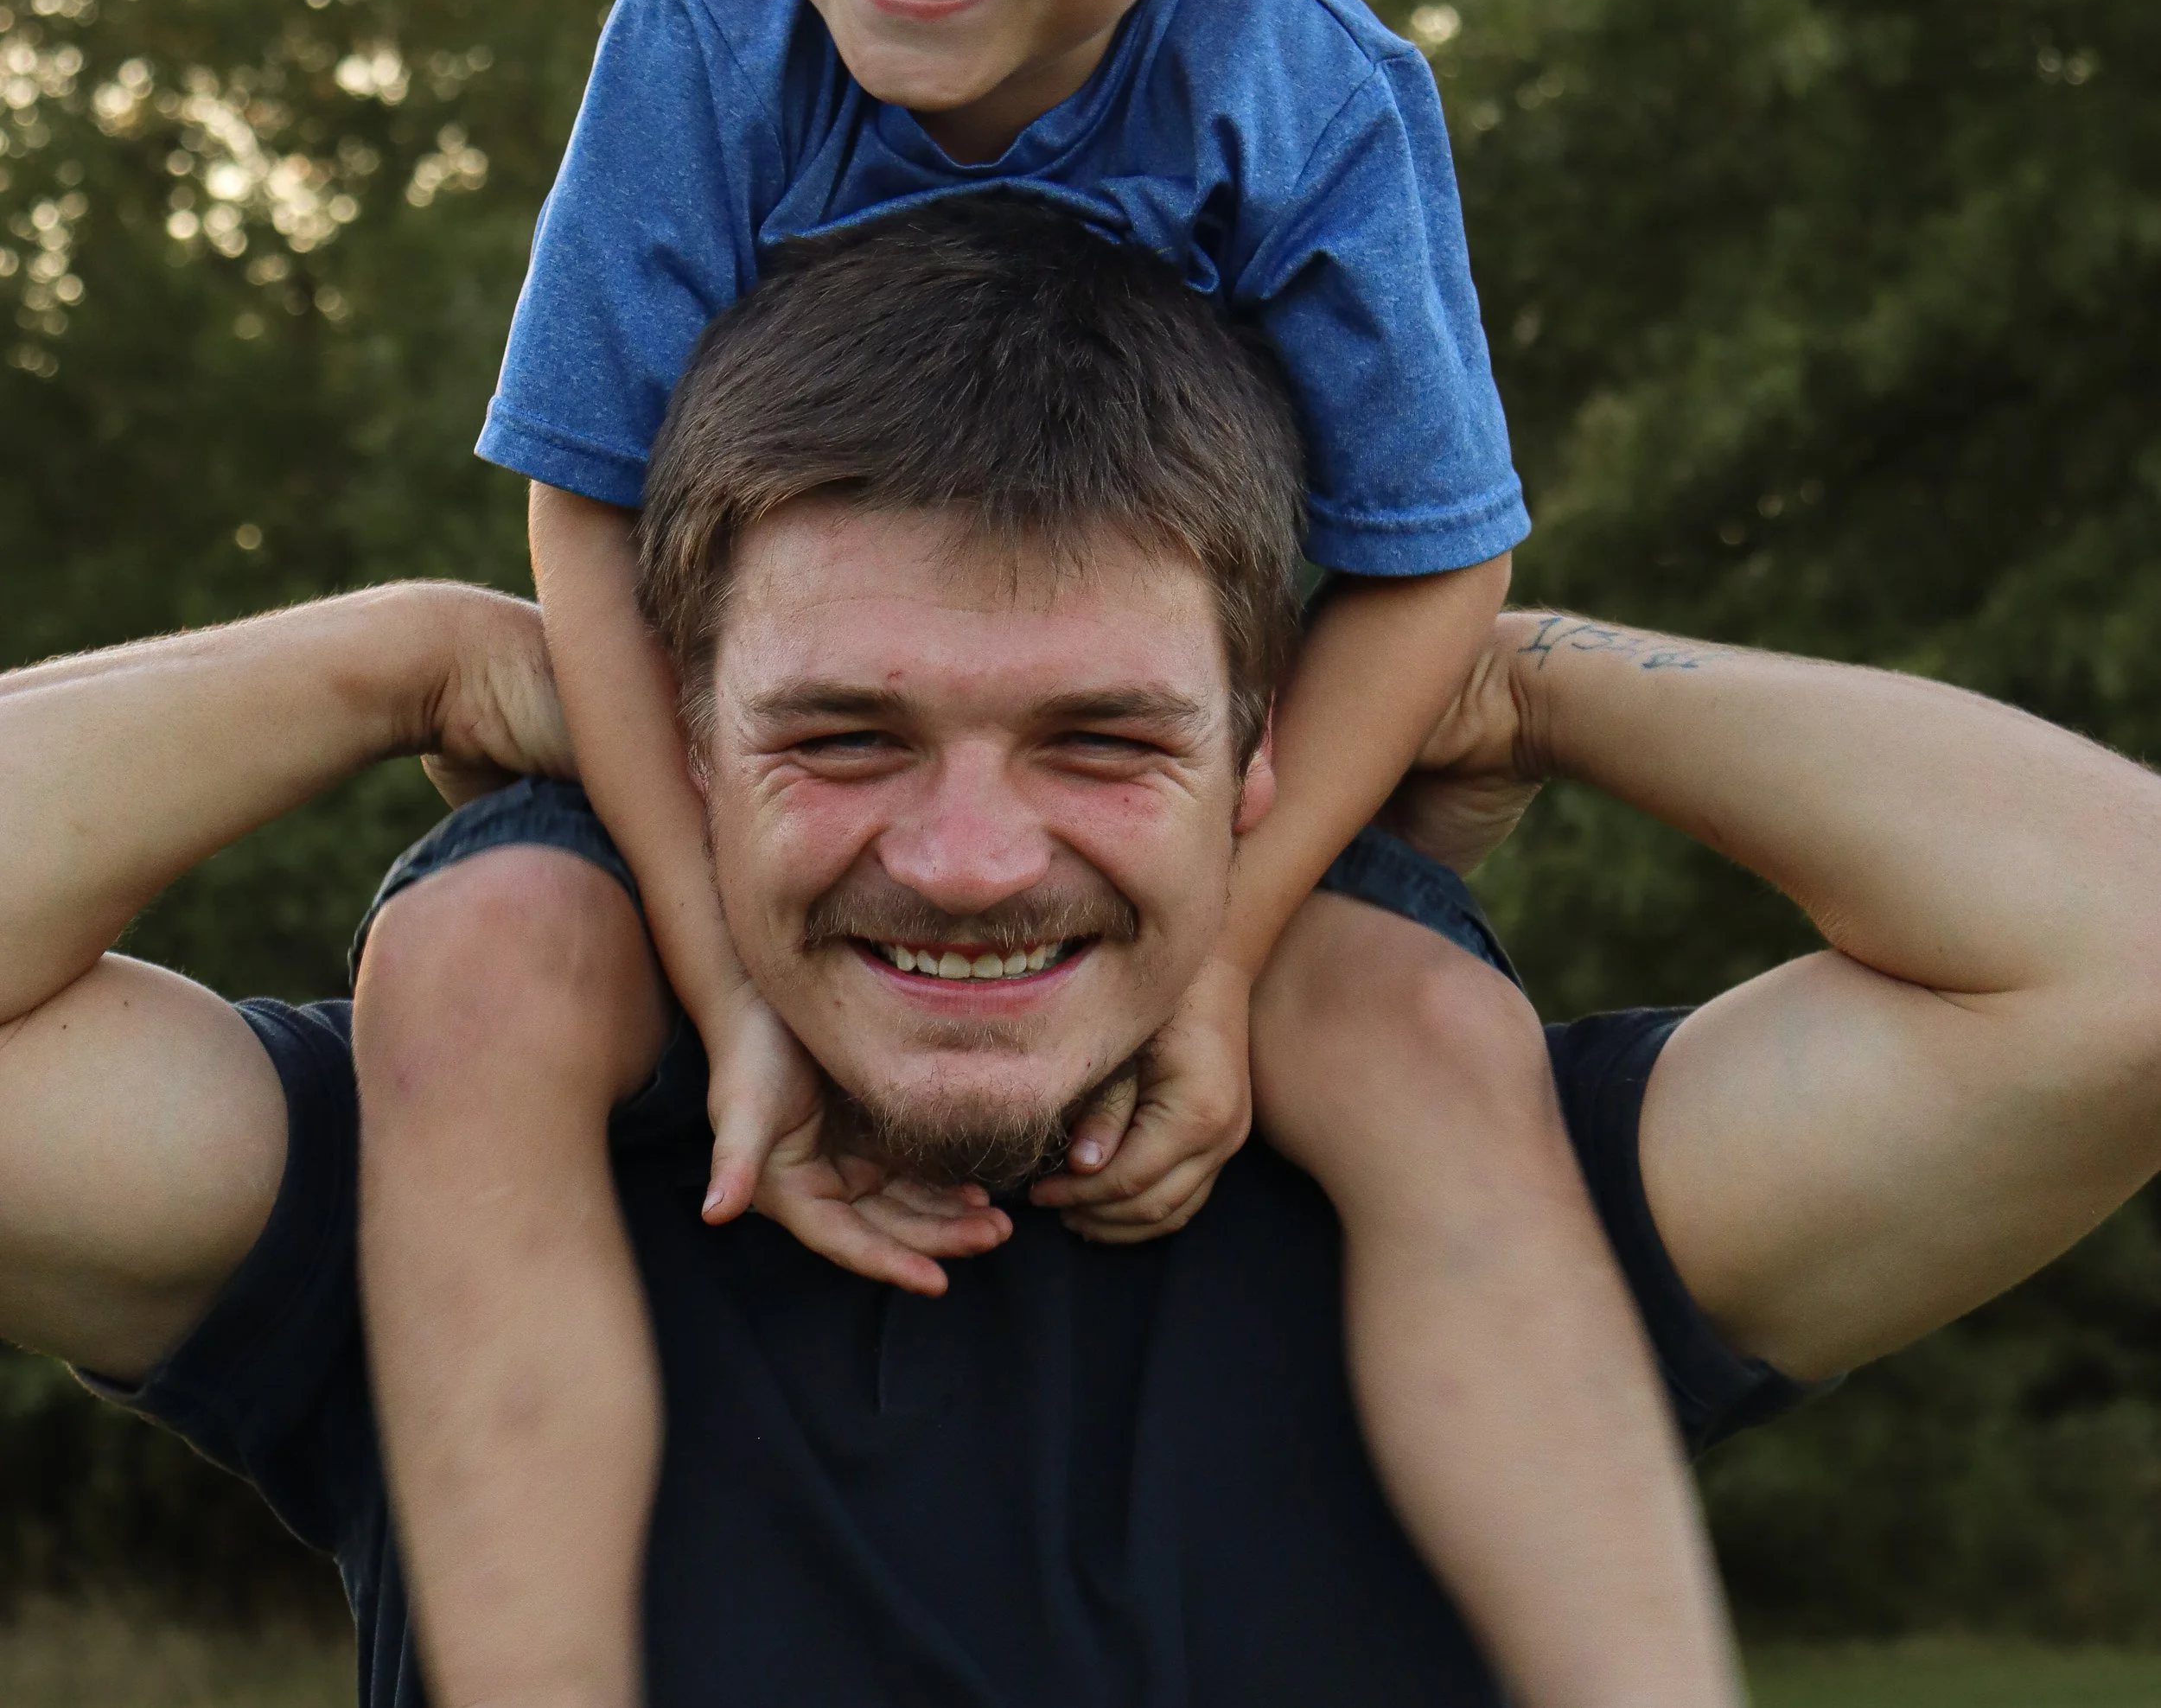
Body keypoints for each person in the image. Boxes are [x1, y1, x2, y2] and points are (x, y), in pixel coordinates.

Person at [355, 0, 1735, 1706]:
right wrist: (718, 976)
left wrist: (1221, 944)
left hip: (1151, 804)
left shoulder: (1295, 90)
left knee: (1426, 1046)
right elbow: (581, 519)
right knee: (469, 969)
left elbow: (1436, 565)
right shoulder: (706, 36)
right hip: (768, 798)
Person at [9, 210, 2161, 1708]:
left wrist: (1502, 687)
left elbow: (2116, 950)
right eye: (843, 732)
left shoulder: (1480, 1190)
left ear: (1261, 759)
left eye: (1100, 738)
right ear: (670, 744)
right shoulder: (465, 1177)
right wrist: (408, 661)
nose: (962, 859)